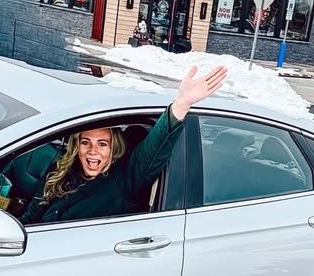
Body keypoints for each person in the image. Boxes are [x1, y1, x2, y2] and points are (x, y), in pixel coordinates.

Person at [20, 64, 228, 225]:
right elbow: (31, 215)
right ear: (77, 147)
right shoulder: (60, 170)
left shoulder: (125, 180)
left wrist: (181, 104)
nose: (92, 151)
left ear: (114, 148)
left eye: (102, 144)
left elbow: (153, 149)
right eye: (86, 142)